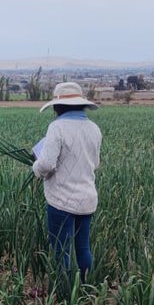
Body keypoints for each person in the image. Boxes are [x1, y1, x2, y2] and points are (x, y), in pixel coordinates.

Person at [31, 82, 103, 289]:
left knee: (61, 249)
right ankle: (86, 289)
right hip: (87, 197)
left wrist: (35, 168)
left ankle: (64, 294)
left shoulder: (57, 127)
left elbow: (46, 164)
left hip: (61, 199)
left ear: (57, 106)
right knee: (83, 247)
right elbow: (95, 163)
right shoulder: (94, 128)